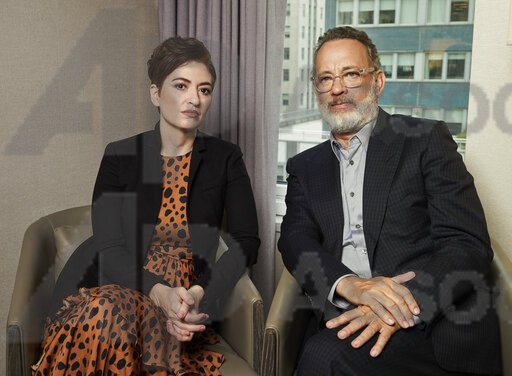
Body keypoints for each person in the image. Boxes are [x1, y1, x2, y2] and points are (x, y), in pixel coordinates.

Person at [278, 26, 501, 375]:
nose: (337, 88)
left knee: (323, 358)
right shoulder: (305, 167)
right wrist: (350, 285)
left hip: (431, 322)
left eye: (350, 74)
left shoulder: (425, 140)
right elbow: (295, 240)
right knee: (321, 353)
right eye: (325, 78)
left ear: (377, 81)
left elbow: (466, 244)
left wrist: (398, 306)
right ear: (317, 90)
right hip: (349, 313)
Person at [32, 36, 260, 375]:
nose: (194, 99)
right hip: (118, 282)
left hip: (184, 298)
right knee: (104, 314)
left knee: (106, 320)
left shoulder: (225, 159)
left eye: (205, 89)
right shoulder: (119, 155)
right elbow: (110, 248)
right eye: (181, 86)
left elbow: (246, 241)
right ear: (156, 93)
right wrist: (159, 293)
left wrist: (198, 294)